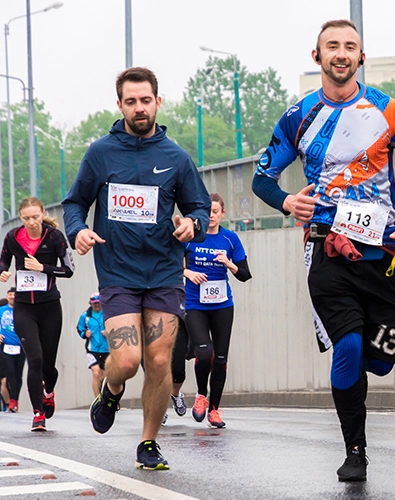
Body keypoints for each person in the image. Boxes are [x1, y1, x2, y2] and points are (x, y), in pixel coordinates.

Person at [252, 19, 395, 482]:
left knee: (380, 357)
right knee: (348, 347)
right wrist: (287, 201)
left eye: (349, 47)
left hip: (385, 256)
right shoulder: (299, 116)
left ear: (361, 57)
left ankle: (372, 365)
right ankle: (356, 451)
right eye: (331, 46)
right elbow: (261, 178)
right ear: (317, 57)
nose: (341, 53)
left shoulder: (387, 110)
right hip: (327, 253)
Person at [62, 66, 211, 470]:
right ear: (120, 105)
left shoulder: (176, 158)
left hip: (164, 271)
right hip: (119, 273)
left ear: (158, 102)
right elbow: (75, 202)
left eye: (146, 100)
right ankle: (111, 390)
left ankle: (148, 442)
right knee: (127, 360)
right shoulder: (101, 153)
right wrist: (77, 230)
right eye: (131, 101)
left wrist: (191, 223)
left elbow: (198, 206)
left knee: (160, 361)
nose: (139, 108)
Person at [0, 198, 74, 430]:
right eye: (26, 218)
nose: (31, 222)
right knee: (35, 358)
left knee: (48, 365)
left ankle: (48, 391)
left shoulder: (54, 237)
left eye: (35, 217)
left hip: (50, 306)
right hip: (24, 308)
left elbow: (69, 270)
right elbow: (3, 261)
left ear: (43, 214)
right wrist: (2, 272)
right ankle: (38, 413)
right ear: (21, 218)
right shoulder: (13, 237)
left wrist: (43, 268)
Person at [183, 193, 251, 428]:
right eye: (207, 211)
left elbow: (244, 274)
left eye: (215, 211)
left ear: (222, 214)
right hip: (194, 304)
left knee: (220, 359)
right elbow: (171, 265)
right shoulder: (190, 238)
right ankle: (201, 395)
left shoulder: (230, 239)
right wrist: (188, 273)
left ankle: (214, 409)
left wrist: (228, 263)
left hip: (222, 305)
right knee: (204, 353)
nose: (211, 216)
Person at [77, 293, 110, 397]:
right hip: (92, 349)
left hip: (107, 349)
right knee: (96, 373)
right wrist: (85, 334)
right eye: (94, 303)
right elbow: (80, 329)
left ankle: (105, 398)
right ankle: (97, 401)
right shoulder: (85, 316)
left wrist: (109, 333)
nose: (96, 305)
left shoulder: (107, 314)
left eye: (98, 303)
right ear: (90, 303)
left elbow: (116, 329)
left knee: (105, 376)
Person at [1, 288, 24, 413]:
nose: (12, 297)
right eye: (10, 294)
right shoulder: (2, 310)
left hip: (21, 346)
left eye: (14, 295)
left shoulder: (23, 310)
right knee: (9, 373)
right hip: (6, 346)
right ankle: (11, 401)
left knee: (18, 374)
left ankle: (15, 398)